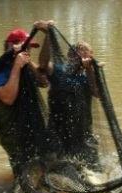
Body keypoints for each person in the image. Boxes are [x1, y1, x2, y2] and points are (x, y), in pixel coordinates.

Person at [34, 21, 101, 171]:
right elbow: (43, 64)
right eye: (75, 54)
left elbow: (97, 93)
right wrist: (48, 36)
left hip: (83, 131)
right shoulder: (58, 70)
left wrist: (89, 69)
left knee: (92, 170)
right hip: (57, 130)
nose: (78, 57)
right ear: (69, 56)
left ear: (90, 57)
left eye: (84, 55)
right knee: (58, 167)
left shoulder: (89, 75)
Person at [0, 28, 45, 176]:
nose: (29, 51)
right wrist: (17, 66)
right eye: (26, 47)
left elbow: (44, 82)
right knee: (22, 171)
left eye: (30, 48)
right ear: (11, 46)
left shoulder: (27, 67)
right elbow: (8, 98)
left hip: (31, 126)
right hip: (12, 133)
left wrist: (28, 62)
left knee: (40, 165)